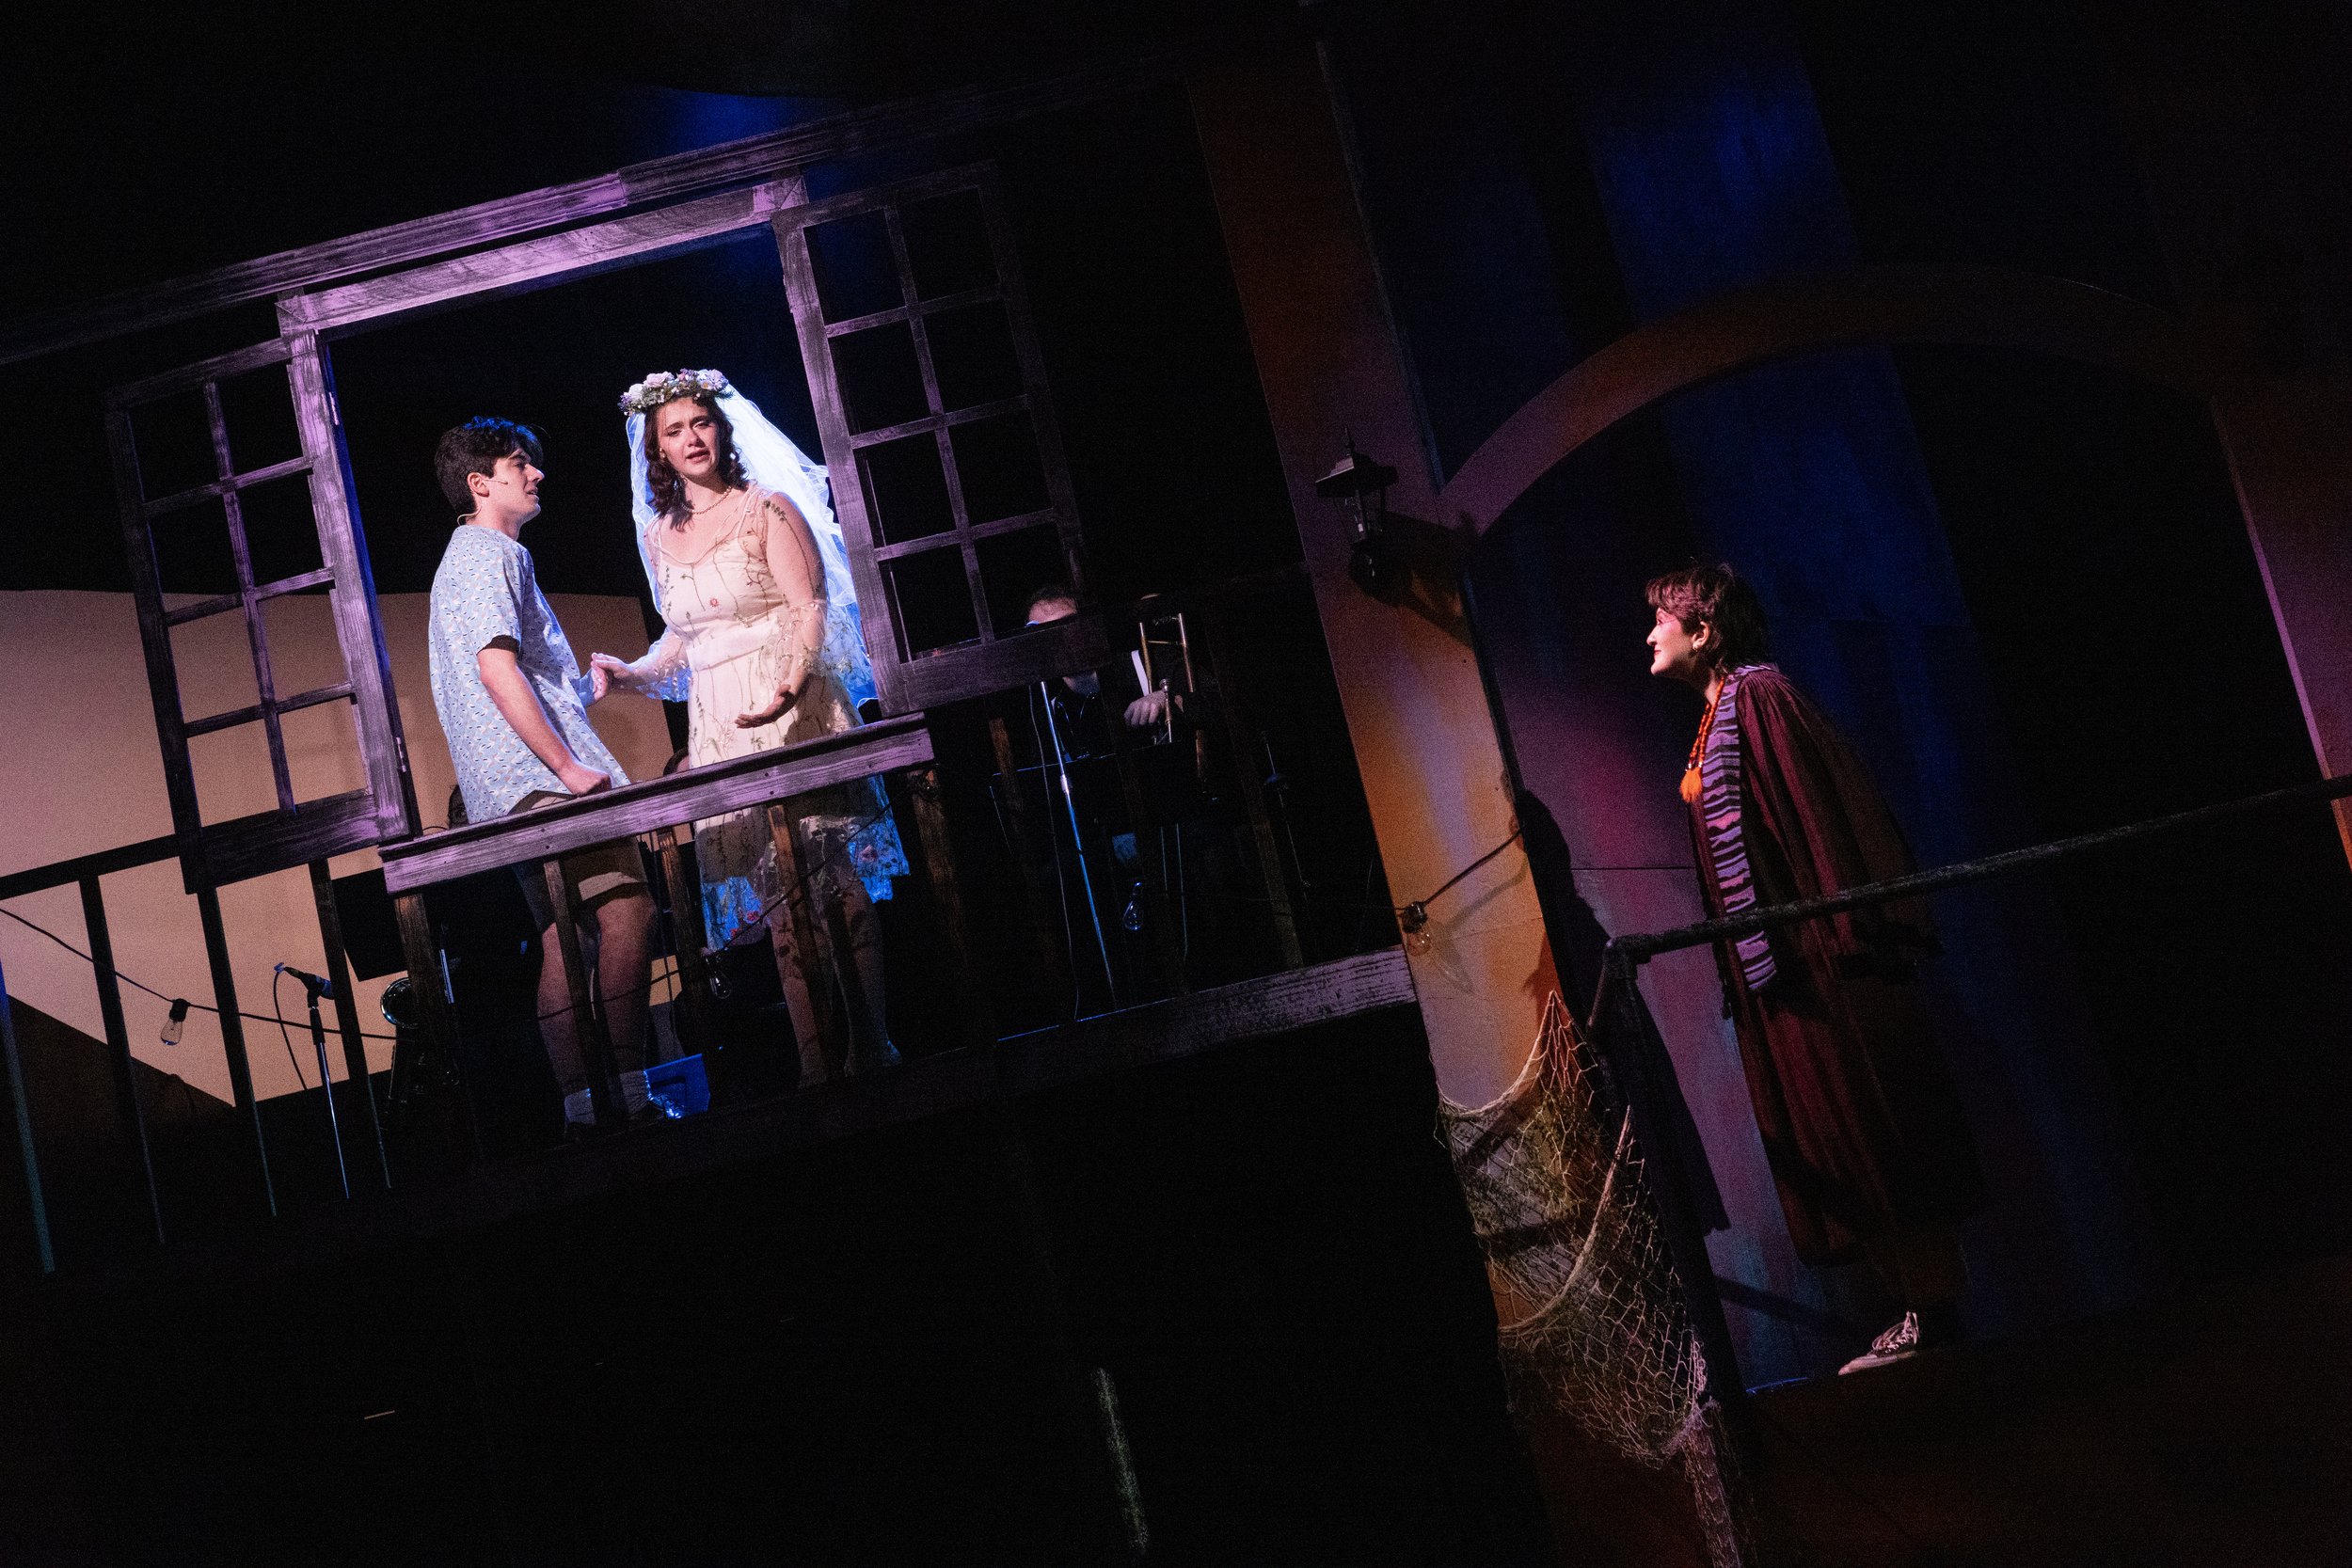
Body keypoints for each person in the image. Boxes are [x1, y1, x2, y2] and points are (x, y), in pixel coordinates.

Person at [1645, 562, 1984, 1374]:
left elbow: (1820, 817)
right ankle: (1916, 1313)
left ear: (1705, 629)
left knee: (1871, 1127)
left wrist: (1838, 940)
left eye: (1662, 616)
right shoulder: (1718, 712)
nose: (1650, 632)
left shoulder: (1760, 697)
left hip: (1819, 967)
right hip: (1778, 978)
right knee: (1832, 1139)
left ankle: (1934, 1314)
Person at [591, 371, 907, 1085]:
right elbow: (684, 643)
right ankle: (814, 1065)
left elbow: (810, 607)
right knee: (778, 897)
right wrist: (631, 673)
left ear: (721, 427)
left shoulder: (769, 507)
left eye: (699, 422)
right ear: (657, 449)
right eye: (673, 430)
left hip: (792, 704)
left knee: (833, 880)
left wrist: (790, 686)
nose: (691, 437)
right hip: (722, 721)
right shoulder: (658, 536)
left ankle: (872, 1046)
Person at [425, 417, 658, 1135]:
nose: (536, 474)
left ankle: (588, 1108)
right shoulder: (489, 553)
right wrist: (567, 767)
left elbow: (521, 674)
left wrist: (592, 687)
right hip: (539, 778)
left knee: (567, 931)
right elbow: (494, 669)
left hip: (512, 781)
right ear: (480, 482)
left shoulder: (467, 559)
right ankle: (630, 1094)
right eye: (520, 463)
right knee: (627, 909)